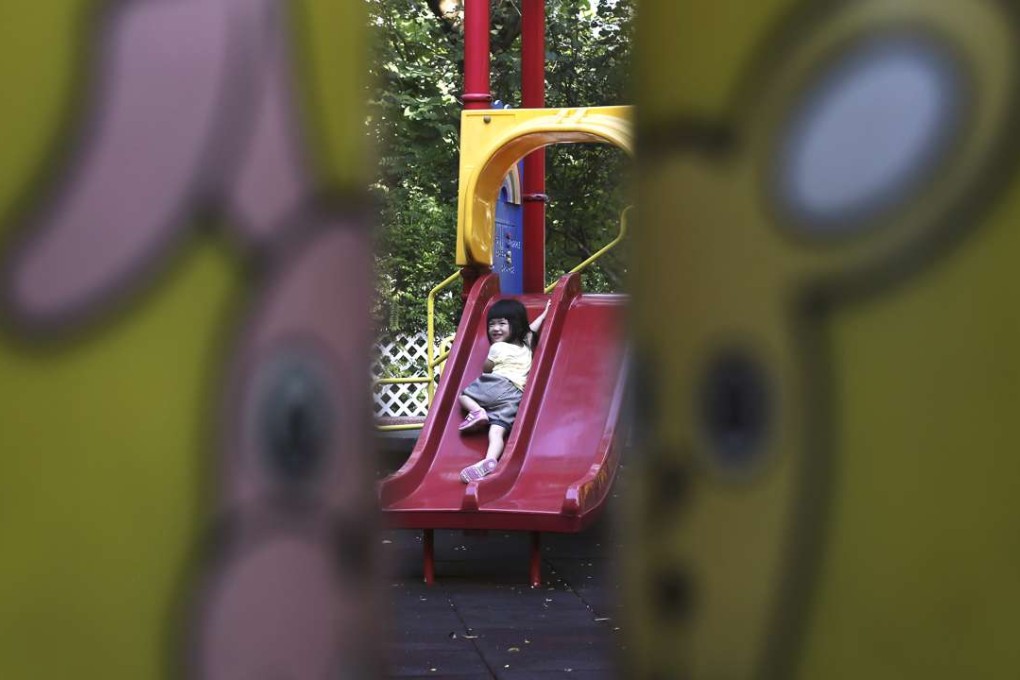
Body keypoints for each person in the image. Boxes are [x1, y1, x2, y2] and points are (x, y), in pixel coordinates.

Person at [458, 297, 550, 483]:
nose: (495, 329)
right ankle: (490, 459)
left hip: (497, 384)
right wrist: (546, 313)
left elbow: (486, 368)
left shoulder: (497, 347)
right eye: (492, 324)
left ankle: (477, 412)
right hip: (516, 396)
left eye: (501, 324)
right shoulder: (526, 346)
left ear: (515, 325)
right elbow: (533, 328)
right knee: (497, 430)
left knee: (464, 395)